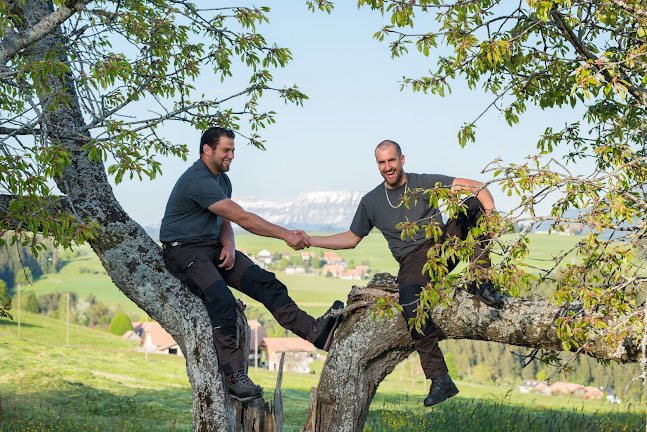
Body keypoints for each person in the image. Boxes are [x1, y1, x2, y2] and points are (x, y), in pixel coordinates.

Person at [307, 140, 503, 407]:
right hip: (412, 261)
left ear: (401, 159)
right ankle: (440, 379)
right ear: (377, 164)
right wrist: (310, 240)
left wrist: (491, 212)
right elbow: (352, 238)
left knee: (472, 205)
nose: (387, 167)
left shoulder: (424, 182)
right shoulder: (371, 201)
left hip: (444, 245)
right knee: (410, 302)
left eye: (391, 160)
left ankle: (482, 281)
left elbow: (475, 187)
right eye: (381, 162)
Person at [160, 126, 343, 402]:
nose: (232, 155)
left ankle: (315, 333)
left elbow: (225, 219)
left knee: (265, 282)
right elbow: (243, 218)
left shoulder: (221, 180)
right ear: (206, 150)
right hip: (183, 252)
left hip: (212, 247)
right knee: (221, 298)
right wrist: (286, 235)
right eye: (226, 150)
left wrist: (229, 245)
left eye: (233, 150)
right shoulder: (196, 180)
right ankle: (235, 377)